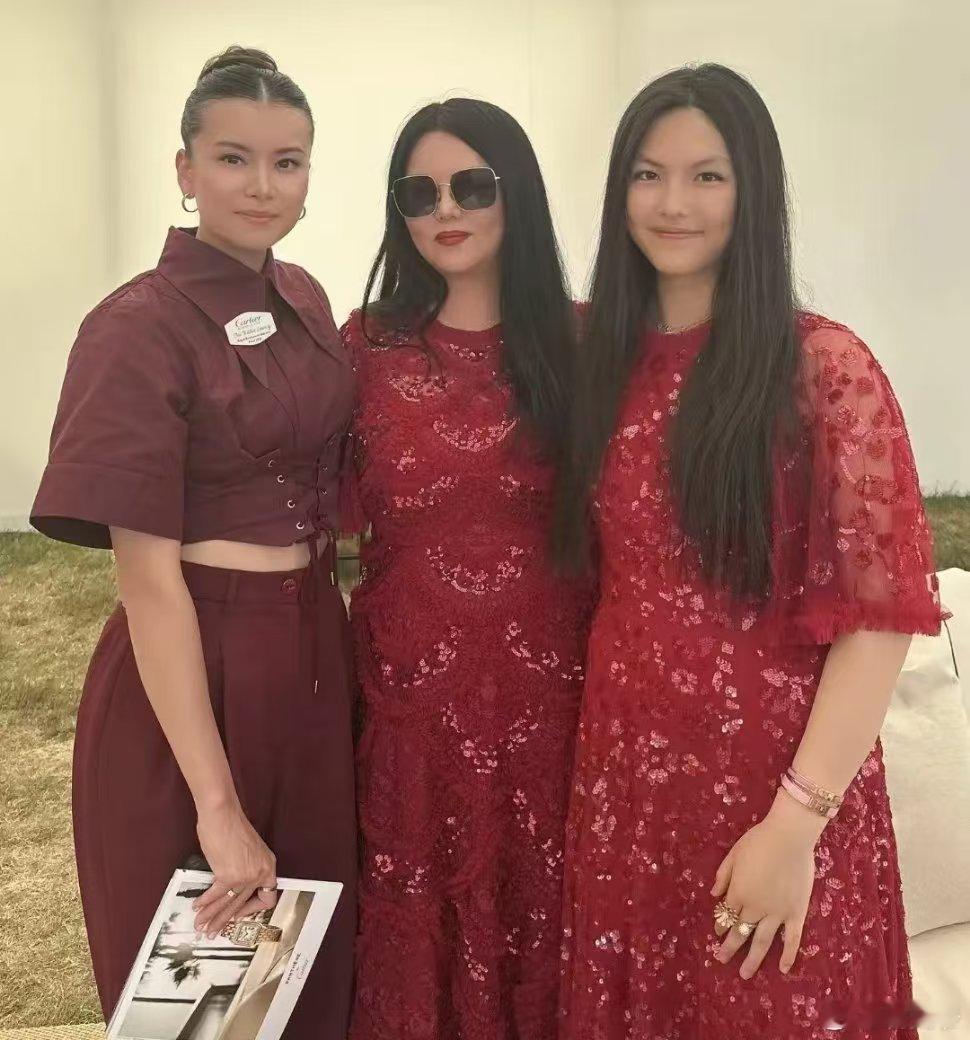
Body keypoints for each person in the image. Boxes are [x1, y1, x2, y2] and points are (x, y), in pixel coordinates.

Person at [553, 63, 946, 1040]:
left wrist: (794, 824)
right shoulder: (594, 361)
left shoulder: (823, 368)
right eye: (648, 175)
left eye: (707, 176)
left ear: (753, 190)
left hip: (779, 798)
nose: (673, 203)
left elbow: (878, 620)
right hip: (626, 794)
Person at [30, 46, 356, 1039]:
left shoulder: (305, 299)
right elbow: (149, 582)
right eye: (233, 158)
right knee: (203, 998)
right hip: (195, 670)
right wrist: (216, 803)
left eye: (287, 162)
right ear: (185, 169)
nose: (262, 185)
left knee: (305, 969)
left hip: (314, 659)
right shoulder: (136, 326)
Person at [340, 98, 593, 1039]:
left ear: (515, 192)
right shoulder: (366, 345)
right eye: (419, 192)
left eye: (471, 185)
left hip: (556, 710)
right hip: (411, 712)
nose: (445, 208)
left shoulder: (583, 342)